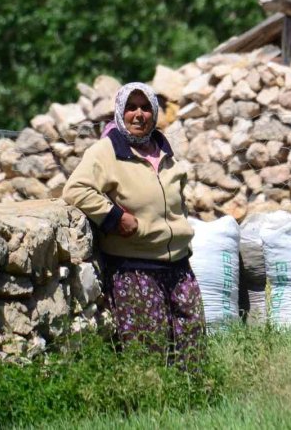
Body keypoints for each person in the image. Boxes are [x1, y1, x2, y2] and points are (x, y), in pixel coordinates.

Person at [63, 82, 205, 361]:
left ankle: (196, 400)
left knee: (193, 345)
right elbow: (75, 190)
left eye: (145, 107)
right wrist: (115, 218)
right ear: (120, 112)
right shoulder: (106, 151)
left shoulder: (163, 150)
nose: (138, 114)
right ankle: (150, 402)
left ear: (154, 112)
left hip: (178, 266)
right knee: (149, 349)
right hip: (135, 268)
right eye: (131, 107)